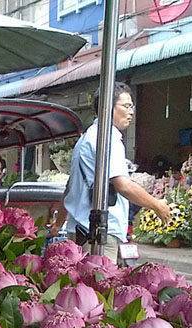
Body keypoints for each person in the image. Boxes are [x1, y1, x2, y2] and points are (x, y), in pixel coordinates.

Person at [64, 82, 171, 261]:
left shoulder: (86, 138)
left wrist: (58, 223)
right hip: (97, 234)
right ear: (108, 107)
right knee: (99, 285)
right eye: (126, 106)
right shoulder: (108, 139)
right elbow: (123, 185)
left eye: (132, 106)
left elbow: (69, 188)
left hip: (79, 229)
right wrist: (157, 205)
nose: (131, 112)